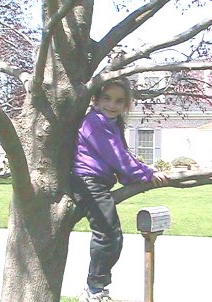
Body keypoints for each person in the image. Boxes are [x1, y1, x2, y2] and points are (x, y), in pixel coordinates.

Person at [71, 78, 169, 302]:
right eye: (106, 98)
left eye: (119, 101)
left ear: (126, 105)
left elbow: (121, 155)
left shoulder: (112, 124)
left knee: (114, 237)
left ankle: (98, 288)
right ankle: (94, 290)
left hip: (97, 181)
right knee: (108, 234)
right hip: (86, 181)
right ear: (95, 99)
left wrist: (139, 175)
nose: (112, 105)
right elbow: (116, 156)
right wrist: (146, 174)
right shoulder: (94, 122)